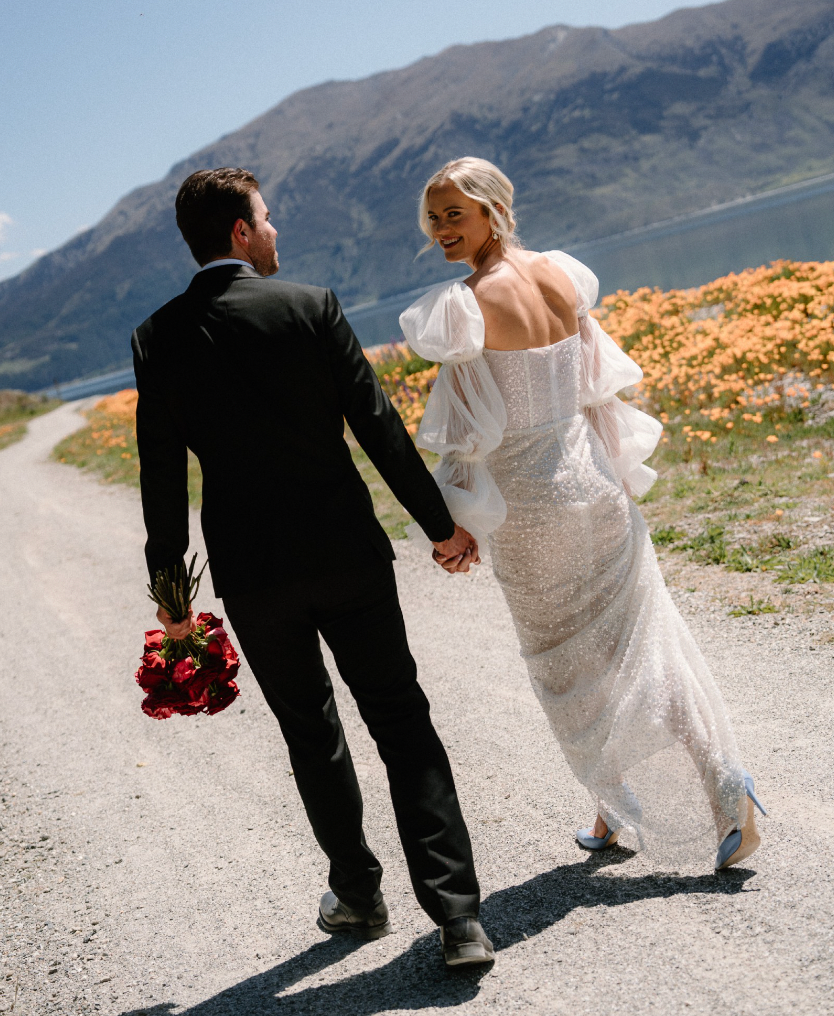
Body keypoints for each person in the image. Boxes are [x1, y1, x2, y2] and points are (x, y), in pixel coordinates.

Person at [131, 167, 494, 967]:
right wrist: (441, 528)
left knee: (310, 733)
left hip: (254, 576)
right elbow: (378, 427)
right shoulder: (309, 305)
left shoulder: (155, 339)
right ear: (239, 232)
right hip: (345, 553)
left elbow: (162, 479)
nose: (274, 231)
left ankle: (359, 897)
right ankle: (460, 917)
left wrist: (174, 601)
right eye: (265, 219)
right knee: (400, 718)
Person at [403, 157, 767, 870]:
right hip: (598, 488)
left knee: (570, 673)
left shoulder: (465, 306)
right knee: (646, 650)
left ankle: (618, 803)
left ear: (491, 211)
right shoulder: (565, 275)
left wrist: (457, 524)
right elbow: (599, 390)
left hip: (532, 508)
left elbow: (468, 435)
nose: (441, 229)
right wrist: (619, 477)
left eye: (455, 213)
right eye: (434, 216)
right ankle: (712, 793)